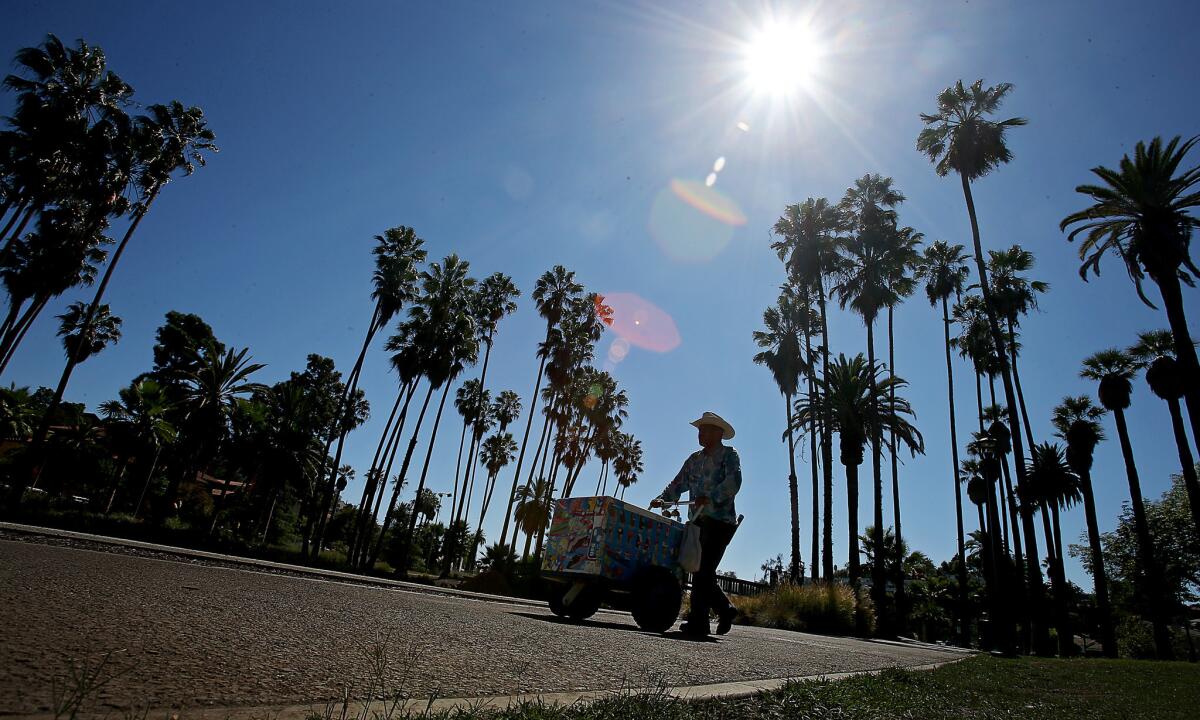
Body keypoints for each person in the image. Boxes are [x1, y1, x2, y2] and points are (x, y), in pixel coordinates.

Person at [650, 411, 742, 637]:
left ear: (718, 433)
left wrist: (710, 497)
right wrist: (663, 498)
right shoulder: (694, 460)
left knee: (703, 570)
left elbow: (734, 482)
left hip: (721, 522)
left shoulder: (729, 456)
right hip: (698, 521)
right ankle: (724, 609)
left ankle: (699, 623)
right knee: (703, 571)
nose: (700, 434)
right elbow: (678, 483)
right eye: (699, 430)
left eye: (705, 430)